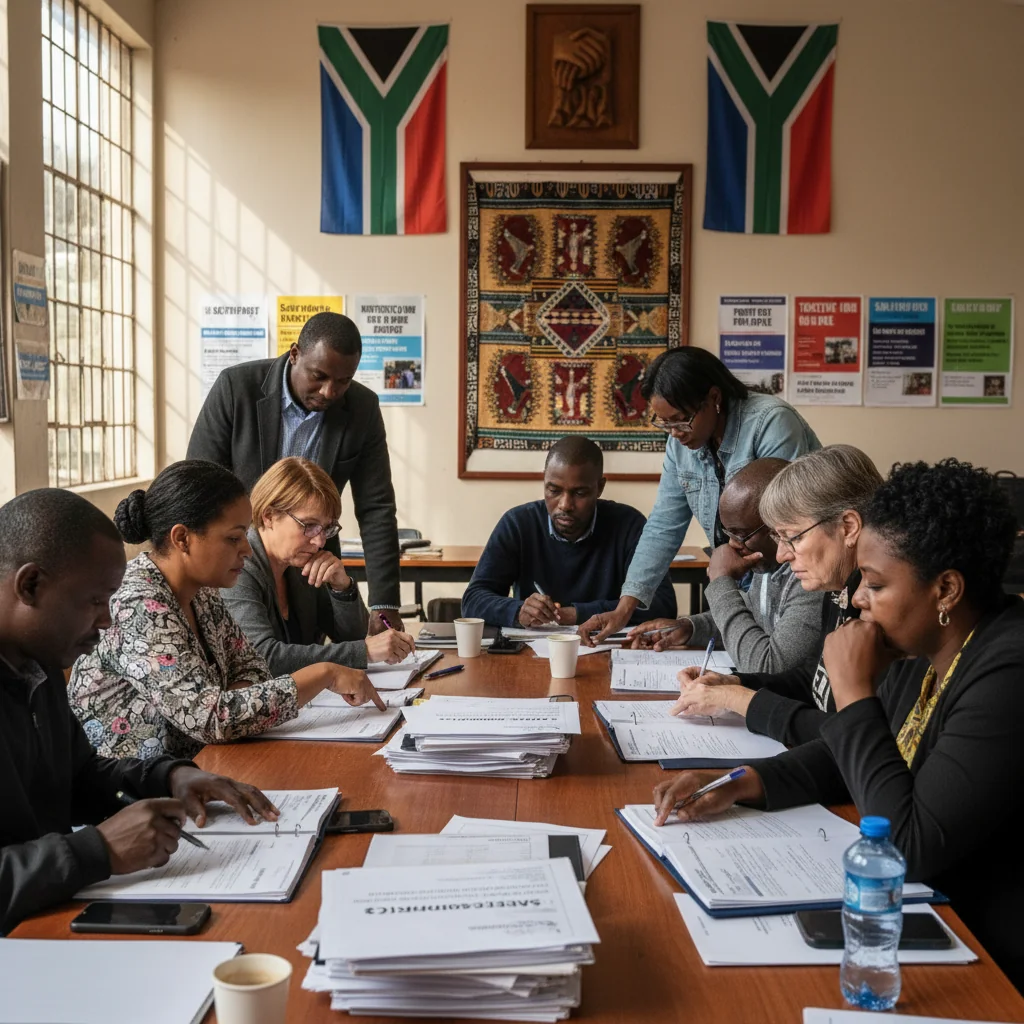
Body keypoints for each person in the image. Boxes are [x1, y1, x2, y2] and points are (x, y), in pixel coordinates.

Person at [651, 459, 1024, 989]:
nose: (856, 599)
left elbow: (903, 846)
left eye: (874, 584)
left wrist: (852, 691)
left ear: (946, 589)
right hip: (927, 920)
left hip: (986, 955)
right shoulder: (923, 649)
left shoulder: (1007, 670)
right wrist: (737, 782)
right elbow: (840, 754)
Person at [0, 488, 279, 934]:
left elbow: (78, 776)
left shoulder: (38, 664)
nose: (108, 620)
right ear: (30, 585)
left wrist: (168, 776)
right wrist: (98, 850)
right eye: (95, 601)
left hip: (48, 918)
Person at [69, 460, 384, 761]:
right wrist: (324, 672)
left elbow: (254, 670)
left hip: (198, 769)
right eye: (234, 538)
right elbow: (213, 718)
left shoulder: (201, 591)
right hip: (134, 795)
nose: (246, 549)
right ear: (182, 538)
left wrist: (231, 706)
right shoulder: (139, 603)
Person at [579, 348, 819, 645]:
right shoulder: (679, 444)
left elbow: (783, 523)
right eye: (664, 423)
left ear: (714, 399)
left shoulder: (771, 422)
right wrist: (623, 609)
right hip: (740, 581)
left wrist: (724, 568)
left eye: (680, 420)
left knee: (766, 661)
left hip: (793, 577)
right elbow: (663, 524)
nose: (675, 433)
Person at [186, 311, 405, 633]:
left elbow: (377, 508)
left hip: (309, 559)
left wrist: (384, 604)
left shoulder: (362, 408)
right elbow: (197, 484)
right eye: (319, 376)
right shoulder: (237, 388)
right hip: (240, 557)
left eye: (343, 381)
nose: (330, 391)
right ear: (294, 355)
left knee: (306, 650)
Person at [668, 445, 883, 746]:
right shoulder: (840, 590)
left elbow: (844, 737)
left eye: (792, 537)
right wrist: (736, 682)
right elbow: (813, 679)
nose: (782, 555)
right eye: (777, 538)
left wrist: (739, 698)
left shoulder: (882, 608)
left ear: (848, 527)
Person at [625, 458, 825, 673]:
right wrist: (691, 627)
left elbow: (765, 667)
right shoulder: (766, 563)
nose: (733, 545)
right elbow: (749, 622)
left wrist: (721, 581)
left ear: (776, 524)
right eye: (729, 534)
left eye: (741, 534)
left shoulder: (810, 577)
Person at [222, 457, 415, 675]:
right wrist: (364, 651)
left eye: (326, 528)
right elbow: (262, 658)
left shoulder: (302, 564)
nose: (320, 541)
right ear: (269, 516)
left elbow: (352, 639)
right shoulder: (238, 567)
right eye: (310, 525)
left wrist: (342, 588)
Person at [461, 437, 676, 628]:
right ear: (544, 482)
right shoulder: (518, 524)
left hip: (607, 650)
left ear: (599, 488)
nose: (564, 505)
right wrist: (518, 611)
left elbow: (663, 603)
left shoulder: (629, 525)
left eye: (580, 493)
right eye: (553, 491)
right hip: (534, 654)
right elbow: (473, 599)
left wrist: (576, 614)